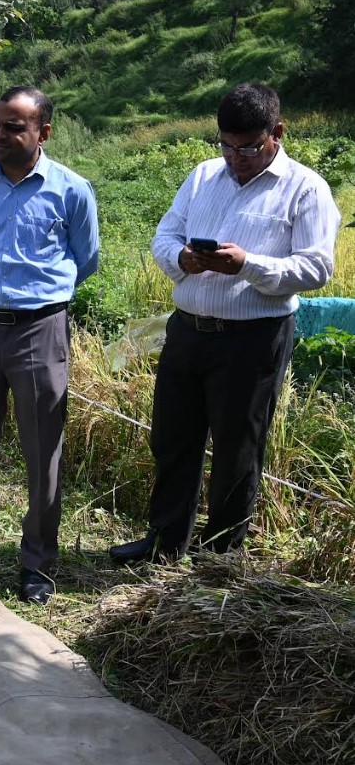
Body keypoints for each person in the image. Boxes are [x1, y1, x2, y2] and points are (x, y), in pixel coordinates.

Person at [110, 83, 339, 565]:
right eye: (227, 145)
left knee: (238, 451)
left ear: (276, 133)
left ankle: (219, 558)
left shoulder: (305, 187)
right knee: (173, 439)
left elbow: (317, 266)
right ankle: (165, 543)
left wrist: (248, 265)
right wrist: (182, 259)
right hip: (189, 329)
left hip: (253, 339)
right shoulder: (202, 177)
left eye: (248, 147)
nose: (236, 157)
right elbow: (164, 234)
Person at [0, 86, 100, 605]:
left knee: (41, 450)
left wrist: (37, 302)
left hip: (40, 331)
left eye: (13, 127)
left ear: (42, 133)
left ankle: (37, 563)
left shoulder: (72, 190)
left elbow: (86, 258)